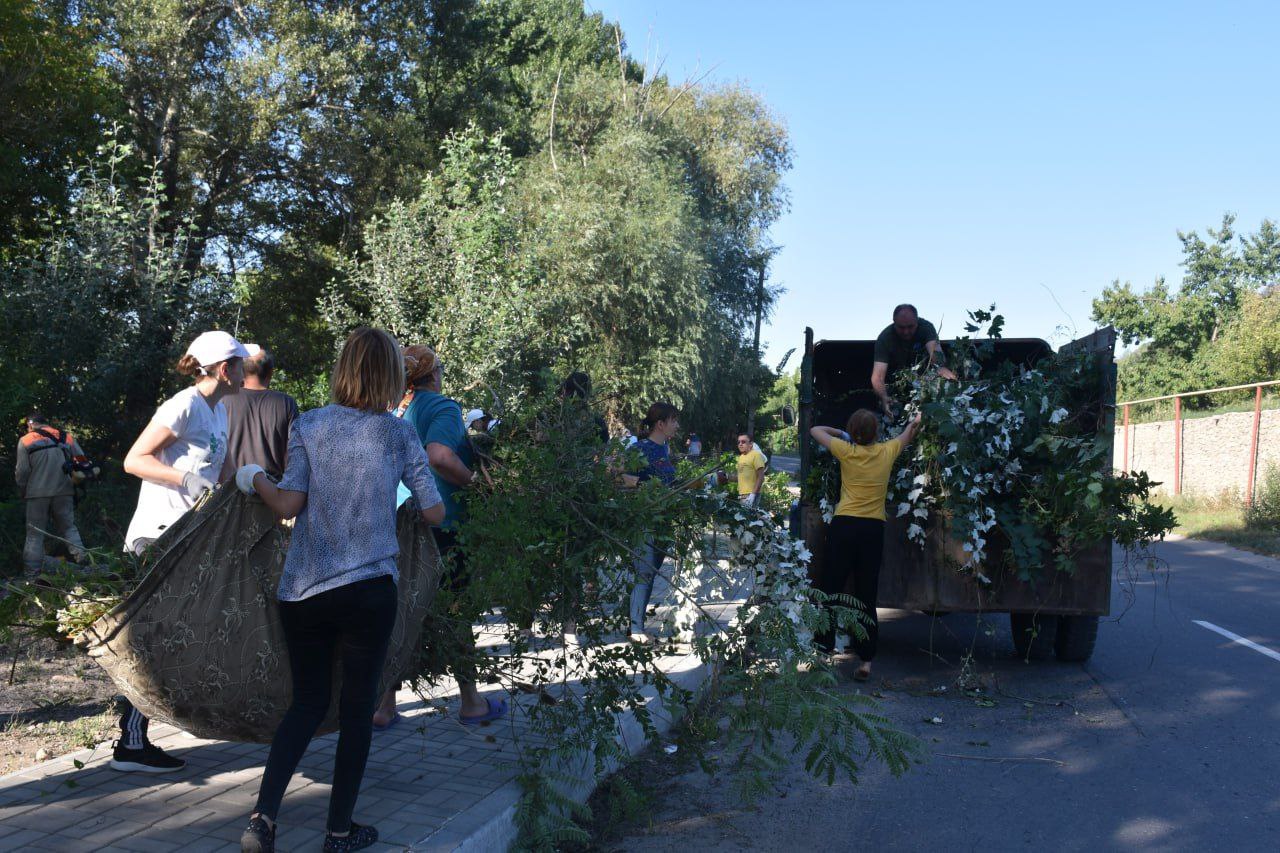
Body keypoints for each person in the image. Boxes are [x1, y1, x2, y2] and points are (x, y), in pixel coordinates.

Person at [236, 327, 444, 853]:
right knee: (356, 712)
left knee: (306, 704)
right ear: (391, 376)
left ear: (343, 369)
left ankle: (262, 819)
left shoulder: (308, 424)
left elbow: (287, 505)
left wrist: (255, 477)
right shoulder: (398, 434)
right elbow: (435, 511)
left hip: (303, 590)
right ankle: (338, 833)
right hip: (369, 591)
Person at [116, 330, 248, 773]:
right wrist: (185, 480)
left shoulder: (219, 411)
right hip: (155, 538)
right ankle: (131, 744)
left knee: (177, 636)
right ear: (225, 369)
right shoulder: (184, 405)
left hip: (187, 538)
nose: (246, 372)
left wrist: (248, 486)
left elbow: (224, 471)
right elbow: (134, 460)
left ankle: (146, 734)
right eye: (241, 365)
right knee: (151, 639)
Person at [371, 345, 506, 731]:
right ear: (433, 375)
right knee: (455, 612)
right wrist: (476, 483)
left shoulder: (393, 410)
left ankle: (383, 707)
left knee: (400, 610)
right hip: (441, 525)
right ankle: (471, 703)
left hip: (398, 523)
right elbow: (440, 456)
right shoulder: (441, 407)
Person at [809, 409, 923, 681]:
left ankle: (823, 653)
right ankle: (866, 661)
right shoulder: (887, 451)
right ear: (876, 433)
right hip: (872, 530)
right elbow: (910, 431)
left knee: (830, 590)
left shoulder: (846, 451)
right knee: (866, 593)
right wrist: (919, 416)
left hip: (844, 526)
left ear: (853, 431)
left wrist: (841, 433)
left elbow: (815, 431)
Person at [629, 402, 680, 643]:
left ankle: (635, 623)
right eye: (673, 421)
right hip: (645, 521)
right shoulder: (640, 449)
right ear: (660, 424)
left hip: (663, 522)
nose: (677, 425)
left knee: (650, 573)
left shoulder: (664, 449)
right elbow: (619, 476)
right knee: (644, 572)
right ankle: (636, 630)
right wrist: (644, 486)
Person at [15, 412, 88, 574]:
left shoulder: (25, 440)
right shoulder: (65, 437)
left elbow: (22, 472)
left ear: (30, 425)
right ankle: (84, 561)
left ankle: (32, 572)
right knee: (69, 528)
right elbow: (82, 461)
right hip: (64, 490)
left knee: (35, 533)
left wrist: (22, 490)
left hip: (37, 493)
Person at [221, 344, 299, 479]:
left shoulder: (223, 401)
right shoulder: (286, 403)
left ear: (241, 372)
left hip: (232, 485)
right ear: (271, 373)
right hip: (272, 487)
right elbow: (293, 453)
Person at [871, 304, 958, 416]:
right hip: (896, 385)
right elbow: (877, 376)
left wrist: (940, 367)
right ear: (894, 322)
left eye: (910, 327)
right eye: (901, 327)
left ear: (917, 321)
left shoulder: (926, 328)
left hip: (923, 382)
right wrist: (883, 397)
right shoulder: (885, 338)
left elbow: (935, 351)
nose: (906, 332)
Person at [735, 432, 767, 507]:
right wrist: (726, 477)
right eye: (738, 442)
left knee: (749, 514)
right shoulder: (741, 457)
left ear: (750, 444)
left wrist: (753, 495)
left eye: (743, 442)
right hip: (742, 494)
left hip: (751, 494)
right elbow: (741, 476)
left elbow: (761, 477)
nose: (740, 444)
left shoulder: (756, 455)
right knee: (742, 514)